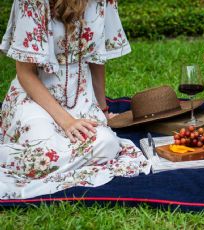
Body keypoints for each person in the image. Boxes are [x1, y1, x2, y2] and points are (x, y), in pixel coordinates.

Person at [0, 0, 151, 199]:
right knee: (42, 156)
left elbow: (97, 59)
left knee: (108, 144)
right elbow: (25, 73)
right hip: (35, 98)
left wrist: (103, 110)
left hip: (81, 98)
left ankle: (60, 154)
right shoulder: (32, 2)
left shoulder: (103, 2)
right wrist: (67, 122)